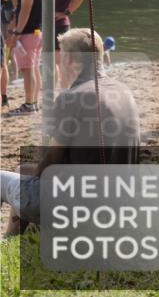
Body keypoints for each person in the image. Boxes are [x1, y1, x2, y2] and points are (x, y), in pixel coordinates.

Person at [0, 28, 140, 235]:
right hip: (121, 199)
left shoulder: (72, 98)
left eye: (61, 55)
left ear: (69, 59)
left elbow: (50, 164)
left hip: (83, 207)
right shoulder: (123, 91)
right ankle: (9, 241)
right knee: (23, 171)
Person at [2, 0, 44, 116]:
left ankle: (29, 104)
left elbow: (25, 9)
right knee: (33, 68)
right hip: (37, 30)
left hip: (28, 31)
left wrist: (16, 32)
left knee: (27, 69)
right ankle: (34, 102)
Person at [52, 0, 86, 91]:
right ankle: (56, 90)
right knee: (52, 61)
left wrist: (66, 12)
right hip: (47, 25)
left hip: (60, 25)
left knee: (62, 62)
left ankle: (67, 91)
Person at [0, 0, 16, 109]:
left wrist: (13, 25)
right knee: (3, 59)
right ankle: (4, 95)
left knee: (5, 57)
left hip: (7, 19)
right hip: (5, 17)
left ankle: (4, 95)